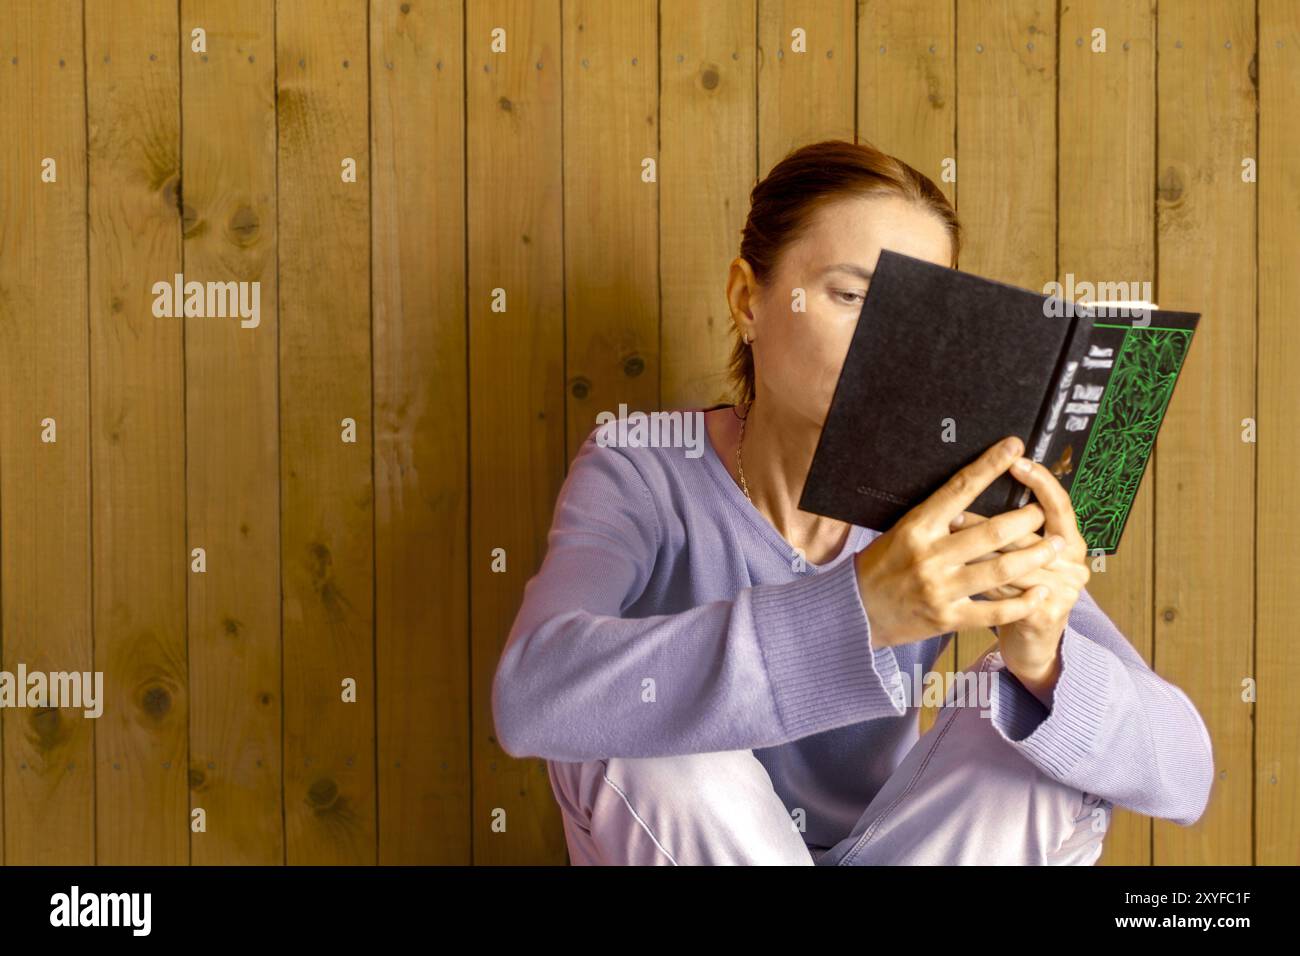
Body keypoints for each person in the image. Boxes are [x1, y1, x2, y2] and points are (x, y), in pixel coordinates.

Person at [491, 139, 1215, 865]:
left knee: (1042, 726)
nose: (890, 347)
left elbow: (1185, 773)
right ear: (748, 300)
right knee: (645, 730)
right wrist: (858, 610)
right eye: (852, 296)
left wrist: (1046, 660)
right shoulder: (644, 464)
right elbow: (530, 696)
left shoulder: (953, 499)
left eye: (922, 318)